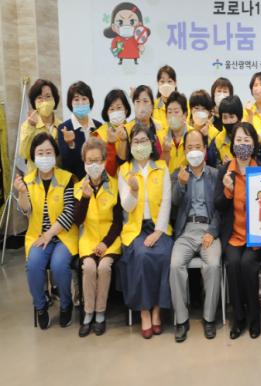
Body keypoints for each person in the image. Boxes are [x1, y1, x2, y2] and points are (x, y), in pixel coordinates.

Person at [15, 133, 77, 329]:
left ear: (55, 154)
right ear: (33, 156)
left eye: (48, 152)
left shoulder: (67, 178)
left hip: (63, 235)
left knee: (59, 266)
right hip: (37, 236)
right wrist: (22, 193)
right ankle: (41, 307)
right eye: (40, 153)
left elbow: (69, 212)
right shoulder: (27, 180)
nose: (44, 156)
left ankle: (66, 305)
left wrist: (49, 235)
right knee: (33, 264)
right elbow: (25, 210)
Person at [118, 124, 173, 339]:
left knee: (164, 255)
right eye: (136, 141)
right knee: (141, 256)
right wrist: (133, 190)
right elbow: (126, 206)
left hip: (159, 226)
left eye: (144, 140)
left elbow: (167, 201)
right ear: (130, 145)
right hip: (135, 228)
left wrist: (158, 231)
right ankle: (144, 312)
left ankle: (157, 309)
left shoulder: (161, 167)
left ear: (152, 143)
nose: (140, 145)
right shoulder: (124, 170)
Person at [214, 122, 261, 339]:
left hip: (258, 236)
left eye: (247, 140)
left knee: (248, 264)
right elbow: (218, 205)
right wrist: (227, 190)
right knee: (233, 264)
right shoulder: (225, 170)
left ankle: (254, 318)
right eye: (239, 140)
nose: (243, 144)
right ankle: (238, 318)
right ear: (232, 144)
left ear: (254, 144)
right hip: (234, 235)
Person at [170, 129, 222, 342]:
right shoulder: (178, 174)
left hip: (208, 229)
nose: (194, 151)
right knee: (175, 265)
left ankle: (209, 318)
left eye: (198, 147)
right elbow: (174, 205)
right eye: (190, 147)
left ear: (205, 149)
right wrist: (181, 185)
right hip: (186, 231)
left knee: (213, 265)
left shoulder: (215, 174)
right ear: (184, 150)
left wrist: (212, 231)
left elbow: (220, 209)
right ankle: (181, 320)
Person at [73, 137, 122, 337]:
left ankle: (100, 313)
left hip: (110, 241)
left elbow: (118, 222)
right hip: (88, 240)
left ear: (104, 161)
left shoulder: (115, 185)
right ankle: (88, 313)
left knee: (103, 267)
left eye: (97, 160)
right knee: (89, 267)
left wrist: (105, 243)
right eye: (89, 161)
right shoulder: (79, 187)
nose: (93, 165)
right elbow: (77, 220)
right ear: (84, 162)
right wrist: (85, 198)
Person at [57, 81, 102, 180]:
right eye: (76, 99)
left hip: (98, 181)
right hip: (76, 183)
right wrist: (70, 144)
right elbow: (65, 163)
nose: (81, 103)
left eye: (84, 98)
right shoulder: (64, 128)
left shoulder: (99, 126)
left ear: (90, 101)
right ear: (71, 103)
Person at [20, 79, 61, 172]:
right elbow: (24, 154)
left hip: (58, 177)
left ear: (54, 100)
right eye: (39, 97)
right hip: (35, 177)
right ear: (34, 102)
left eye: (48, 96)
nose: (44, 101)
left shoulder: (62, 126)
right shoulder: (27, 125)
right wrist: (31, 127)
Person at [95, 88, 131, 176]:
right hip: (110, 181)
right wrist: (110, 143)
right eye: (112, 109)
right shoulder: (100, 134)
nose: (116, 112)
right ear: (107, 112)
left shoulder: (133, 128)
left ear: (126, 110)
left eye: (119, 108)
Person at [126, 85, 167, 156]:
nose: (141, 105)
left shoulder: (161, 127)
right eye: (138, 101)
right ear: (134, 105)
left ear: (152, 106)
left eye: (145, 101)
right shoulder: (126, 129)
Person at [207, 95, 244, 167]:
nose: (228, 121)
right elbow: (213, 167)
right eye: (225, 117)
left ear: (239, 117)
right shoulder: (217, 140)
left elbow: (259, 163)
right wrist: (223, 167)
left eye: (232, 117)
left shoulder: (249, 137)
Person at [162, 91, 191, 173]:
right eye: (169, 112)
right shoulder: (161, 136)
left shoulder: (193, 135)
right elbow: (159, 168)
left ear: (185, 115)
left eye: (176, 112)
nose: (172, 116)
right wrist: (165, 152)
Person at [153, 65, 178, 129]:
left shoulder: (184, 105)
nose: (166, 85)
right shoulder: (152, 106)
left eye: (169, 81)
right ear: (157, 83)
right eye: (162, 81)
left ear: (175, 83)